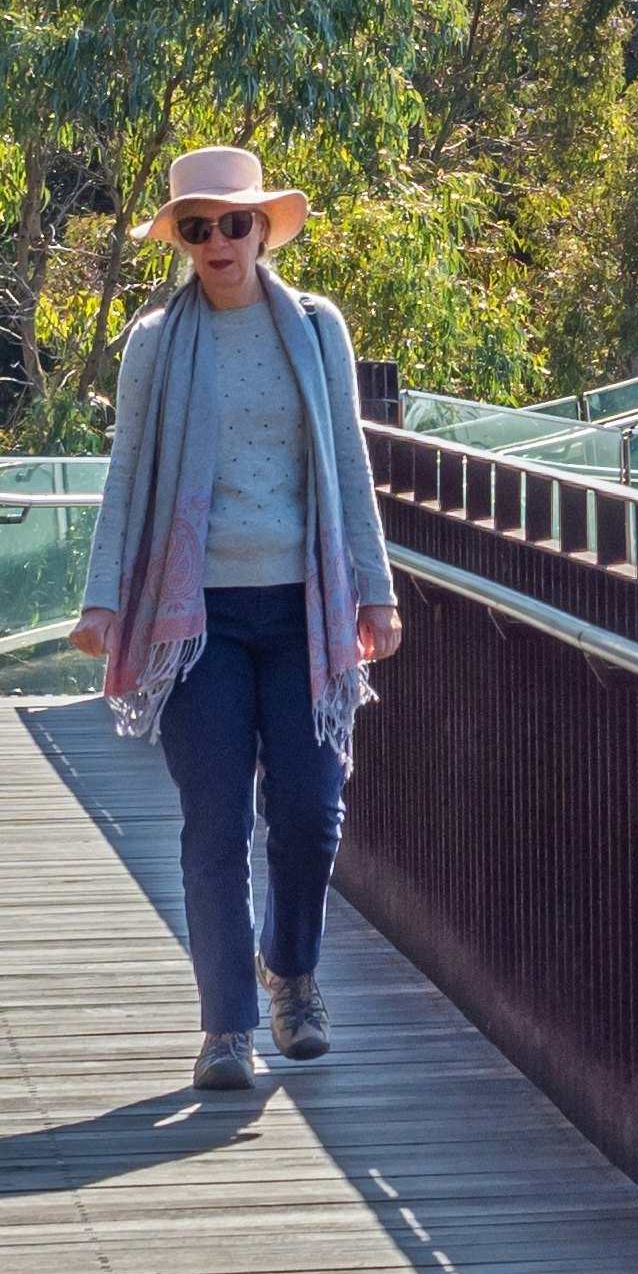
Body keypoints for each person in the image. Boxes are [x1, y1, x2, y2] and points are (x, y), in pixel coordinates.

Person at [71, 145, 404, 1093]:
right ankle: (228, 1025)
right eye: (197, 227)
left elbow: (346, 459)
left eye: (234, 223)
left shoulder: (314, 327)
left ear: (263, 229)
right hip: (195, 619)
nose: (218, 241)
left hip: (304, 607)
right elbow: (128, 474)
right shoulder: (154, 343)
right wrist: (103, 601)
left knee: (309, 810)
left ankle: (290, 971)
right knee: (212, 822)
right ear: (178, 239)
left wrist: (375, 590)